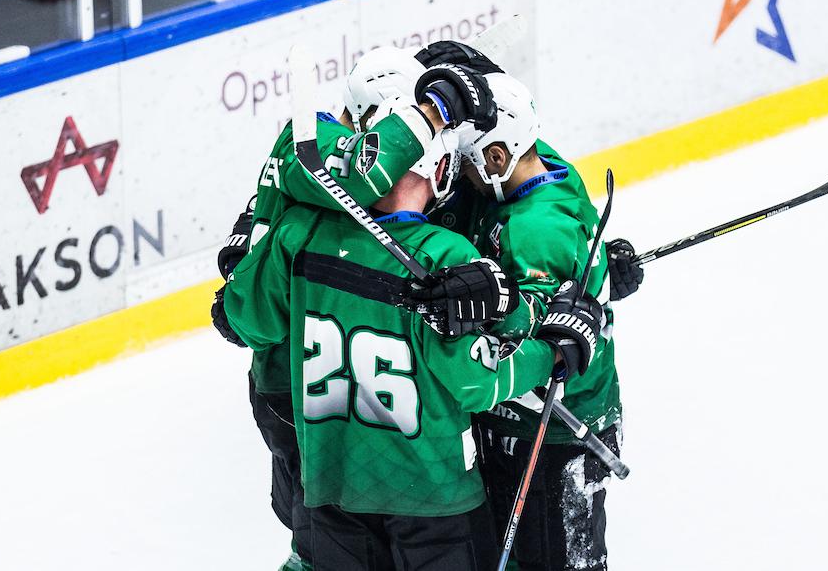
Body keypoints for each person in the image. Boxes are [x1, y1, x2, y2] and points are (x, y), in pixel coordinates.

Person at [223, 130, 604, 570]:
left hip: (330, 487)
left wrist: (251, 247)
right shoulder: (445, 253)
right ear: (440, 169)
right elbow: (476, 383)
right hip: (434, 497)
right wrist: (554, 353)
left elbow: (246, 319)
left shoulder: (301, 231)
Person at [210, 46, 505, 569]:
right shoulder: (316, 149)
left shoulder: (313, 194)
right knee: (317, 532)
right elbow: (365, 175)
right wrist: (435, 108)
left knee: (329, 527)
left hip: (310, 369)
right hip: (294, 378)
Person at [403, 70, 623, 571]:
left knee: (556, 559)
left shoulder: (533, 229)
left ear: (497, 157)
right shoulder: (551, 171)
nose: (461, 177)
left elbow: (542, 337)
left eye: (467, 165)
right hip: (539, 427)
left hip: (554, 432)